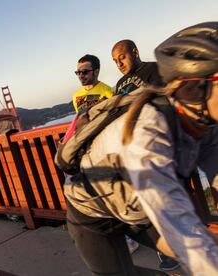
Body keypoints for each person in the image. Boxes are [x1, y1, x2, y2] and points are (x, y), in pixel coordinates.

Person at [63, 22, 218, 275]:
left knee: (201, 244)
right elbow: (188, 241)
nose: (119, 63)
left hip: (137, 204)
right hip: (93, 212)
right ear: (195, 87)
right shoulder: (147, 131)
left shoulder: (207, 126)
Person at [111, 39, 180, 270]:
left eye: (122, 57)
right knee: (145, 204)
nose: (118, 63)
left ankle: (185, 248)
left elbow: (166, 100)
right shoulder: (120, 83)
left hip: (156, 146)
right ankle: (165, 250)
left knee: (169, 200)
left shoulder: (154, 69)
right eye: (115, 61)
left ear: (135, 52)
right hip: (130, 151)